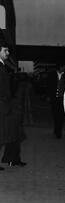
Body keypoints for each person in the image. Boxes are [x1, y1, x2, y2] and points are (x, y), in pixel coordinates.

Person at [0, 40, 26, 168]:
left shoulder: (3, 66)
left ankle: (12, 159)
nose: (8, 53)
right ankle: (12, 158)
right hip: (3, 108)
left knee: (16, 132)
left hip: (8, 106)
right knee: (4, 134)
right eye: (5, 50)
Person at [47, 63, 65, 139]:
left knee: (61, 116)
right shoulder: (51, 74)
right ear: (60, 67)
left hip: (62, 98)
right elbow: (48, 86)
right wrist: (48, 96)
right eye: (64, 66)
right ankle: (56, 129)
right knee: (55, 114)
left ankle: (59, 132)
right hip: (54, 98)